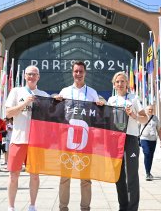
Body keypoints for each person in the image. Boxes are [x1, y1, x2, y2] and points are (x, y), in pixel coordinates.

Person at [54, 60, 104, 211]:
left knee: (85, 178)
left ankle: (85, 208)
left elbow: (101, 110)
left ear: (85, 73)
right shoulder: (65, 91)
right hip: (67, 139)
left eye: (81, 71)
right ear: (72, 73)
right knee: (64, 176)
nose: (78, 74)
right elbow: (55, 111)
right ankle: (63, 207)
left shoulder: (92, 92)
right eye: (76, 71)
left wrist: (102, 102)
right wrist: (55, 99)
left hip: (86, 140)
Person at [5, 65, 49, 211]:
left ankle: (32, 205)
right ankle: (11, 207)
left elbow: (52, 116)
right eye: (29, 74)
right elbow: (8, 114)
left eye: (34, 74)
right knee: (13, 175)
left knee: (35, 176)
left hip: (36, 142)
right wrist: (25, 103)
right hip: (18, 140)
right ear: (25, 76)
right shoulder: (16, 91)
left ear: (39, 77)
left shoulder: (43, 94)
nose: (31, 76)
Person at [107, 71, 147, 211]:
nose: (120, 84)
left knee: (131, 175)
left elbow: (144, 118)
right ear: (114, 84)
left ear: (127, 83)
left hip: (130, 138)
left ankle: (132, 208)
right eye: (117, 81)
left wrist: (134, 115)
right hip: (116, 139)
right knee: (118, 176)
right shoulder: (111, 100)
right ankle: (123, 207)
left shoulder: (134, 98)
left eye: (122, 81)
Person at [139, 105, 161, 181]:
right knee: (147, 153)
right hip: (144, 138)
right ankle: (147, 173)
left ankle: (148, 171)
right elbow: (137, 127)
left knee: (151, 156)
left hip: (153, 140)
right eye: (149, 109)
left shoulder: (155, 118)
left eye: (152, 109)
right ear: (146, 110)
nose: (150, 111)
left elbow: (159, 130)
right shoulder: (142, 117)